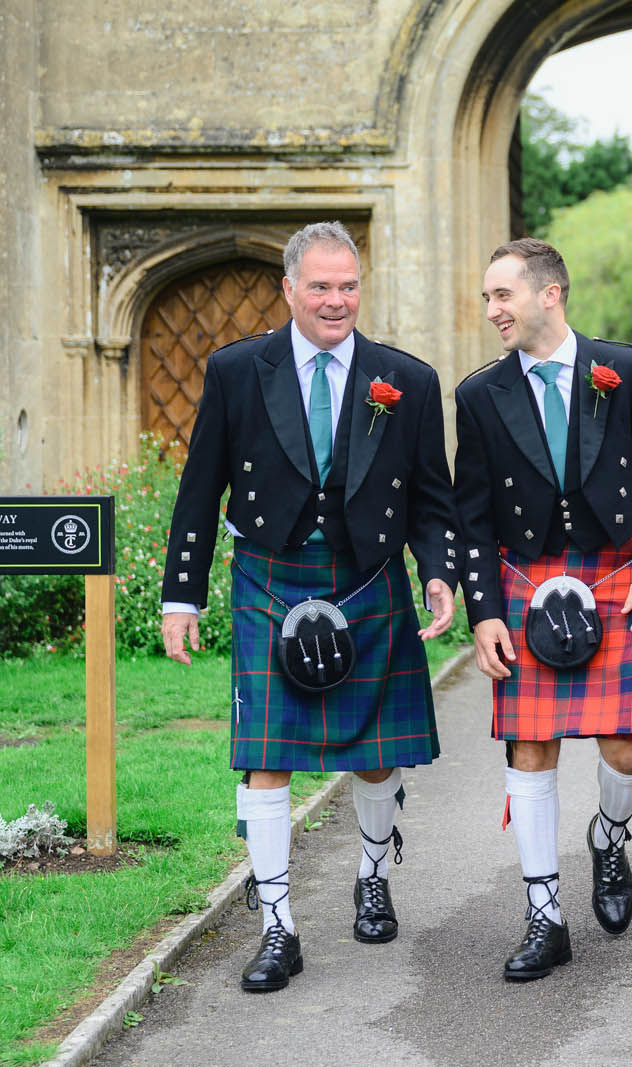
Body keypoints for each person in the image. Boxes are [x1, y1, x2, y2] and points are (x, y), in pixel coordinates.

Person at [159, 221, 457, 993]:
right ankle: (278, 927)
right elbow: (200, 491)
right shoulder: (237, 370)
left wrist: (438, 573)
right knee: (265, 755)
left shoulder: (406, 379)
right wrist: (180, 596)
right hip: (271, 572)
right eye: (320, 286)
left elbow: (431, 494)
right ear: (287, 288)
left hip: (368, 574)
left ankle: (370, 872)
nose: (336, 300)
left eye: (348, 285)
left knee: (375, 751)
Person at [453, 238, 632, 982]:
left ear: (550, 293)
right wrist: (484, 611)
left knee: (625, 748)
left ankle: (609, 836)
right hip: (526, 578)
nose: (492, 310)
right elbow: (473, 516)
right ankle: (544, 914)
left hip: (614, 572)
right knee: (531, 749)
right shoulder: (480, 394)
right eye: (488, 297)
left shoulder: (626, 371)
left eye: (502, 296)